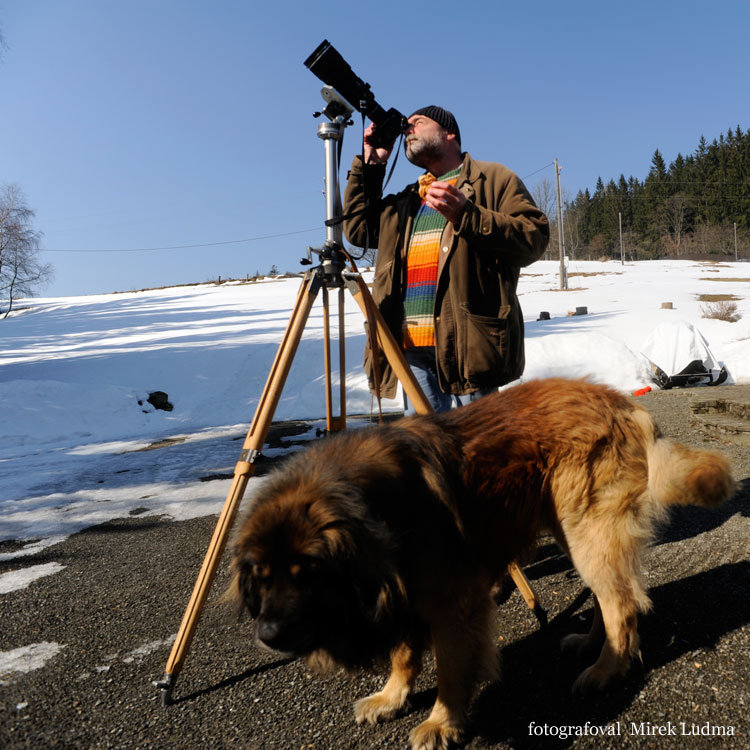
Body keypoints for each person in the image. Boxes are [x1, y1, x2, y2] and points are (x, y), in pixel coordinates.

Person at [343, 105, 550, 413]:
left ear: (449, 132)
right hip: (411, 347)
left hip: (469, 342)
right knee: (429, 449)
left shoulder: (493, 179)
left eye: (418, 123)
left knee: (482, 446)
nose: (408, 130)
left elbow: (534, 238)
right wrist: (371, 164)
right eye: (406, 127)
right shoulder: (408, 200)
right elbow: (358, 229)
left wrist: (467, 215)